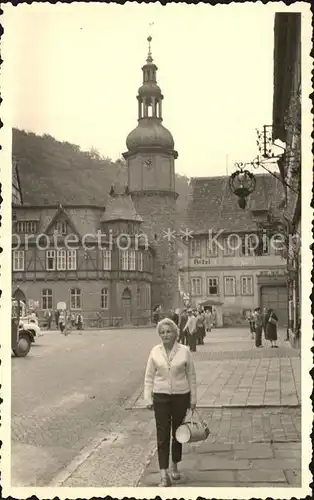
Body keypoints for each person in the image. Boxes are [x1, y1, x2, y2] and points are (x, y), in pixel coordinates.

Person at [144, 318, 197, 487]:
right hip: (160, 397)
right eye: (162, 332)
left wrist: (193, 399)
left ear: (176, 333)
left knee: (177, 434)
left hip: (181, 396)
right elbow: (149, 376)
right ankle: (163, 473)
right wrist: (147, 397)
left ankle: (174, 465)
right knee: (162, 434)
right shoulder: (155, 351)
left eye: (168, 331)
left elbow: (192, 376)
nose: (165, 335)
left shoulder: (184, 351)